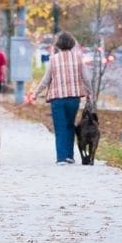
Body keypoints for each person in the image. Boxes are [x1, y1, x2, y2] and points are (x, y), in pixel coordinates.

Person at [32, 31, 92, 165]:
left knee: (60, 127)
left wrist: (36, 93)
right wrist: (90, 93)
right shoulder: (78, 58)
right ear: (71, 44)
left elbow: (46, 80)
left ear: (58, 45)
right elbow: (87, 78)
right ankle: (70, 156)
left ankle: (61, 158)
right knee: (70, 125)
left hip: (57, 98)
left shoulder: (53, 59)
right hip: (73, 98)